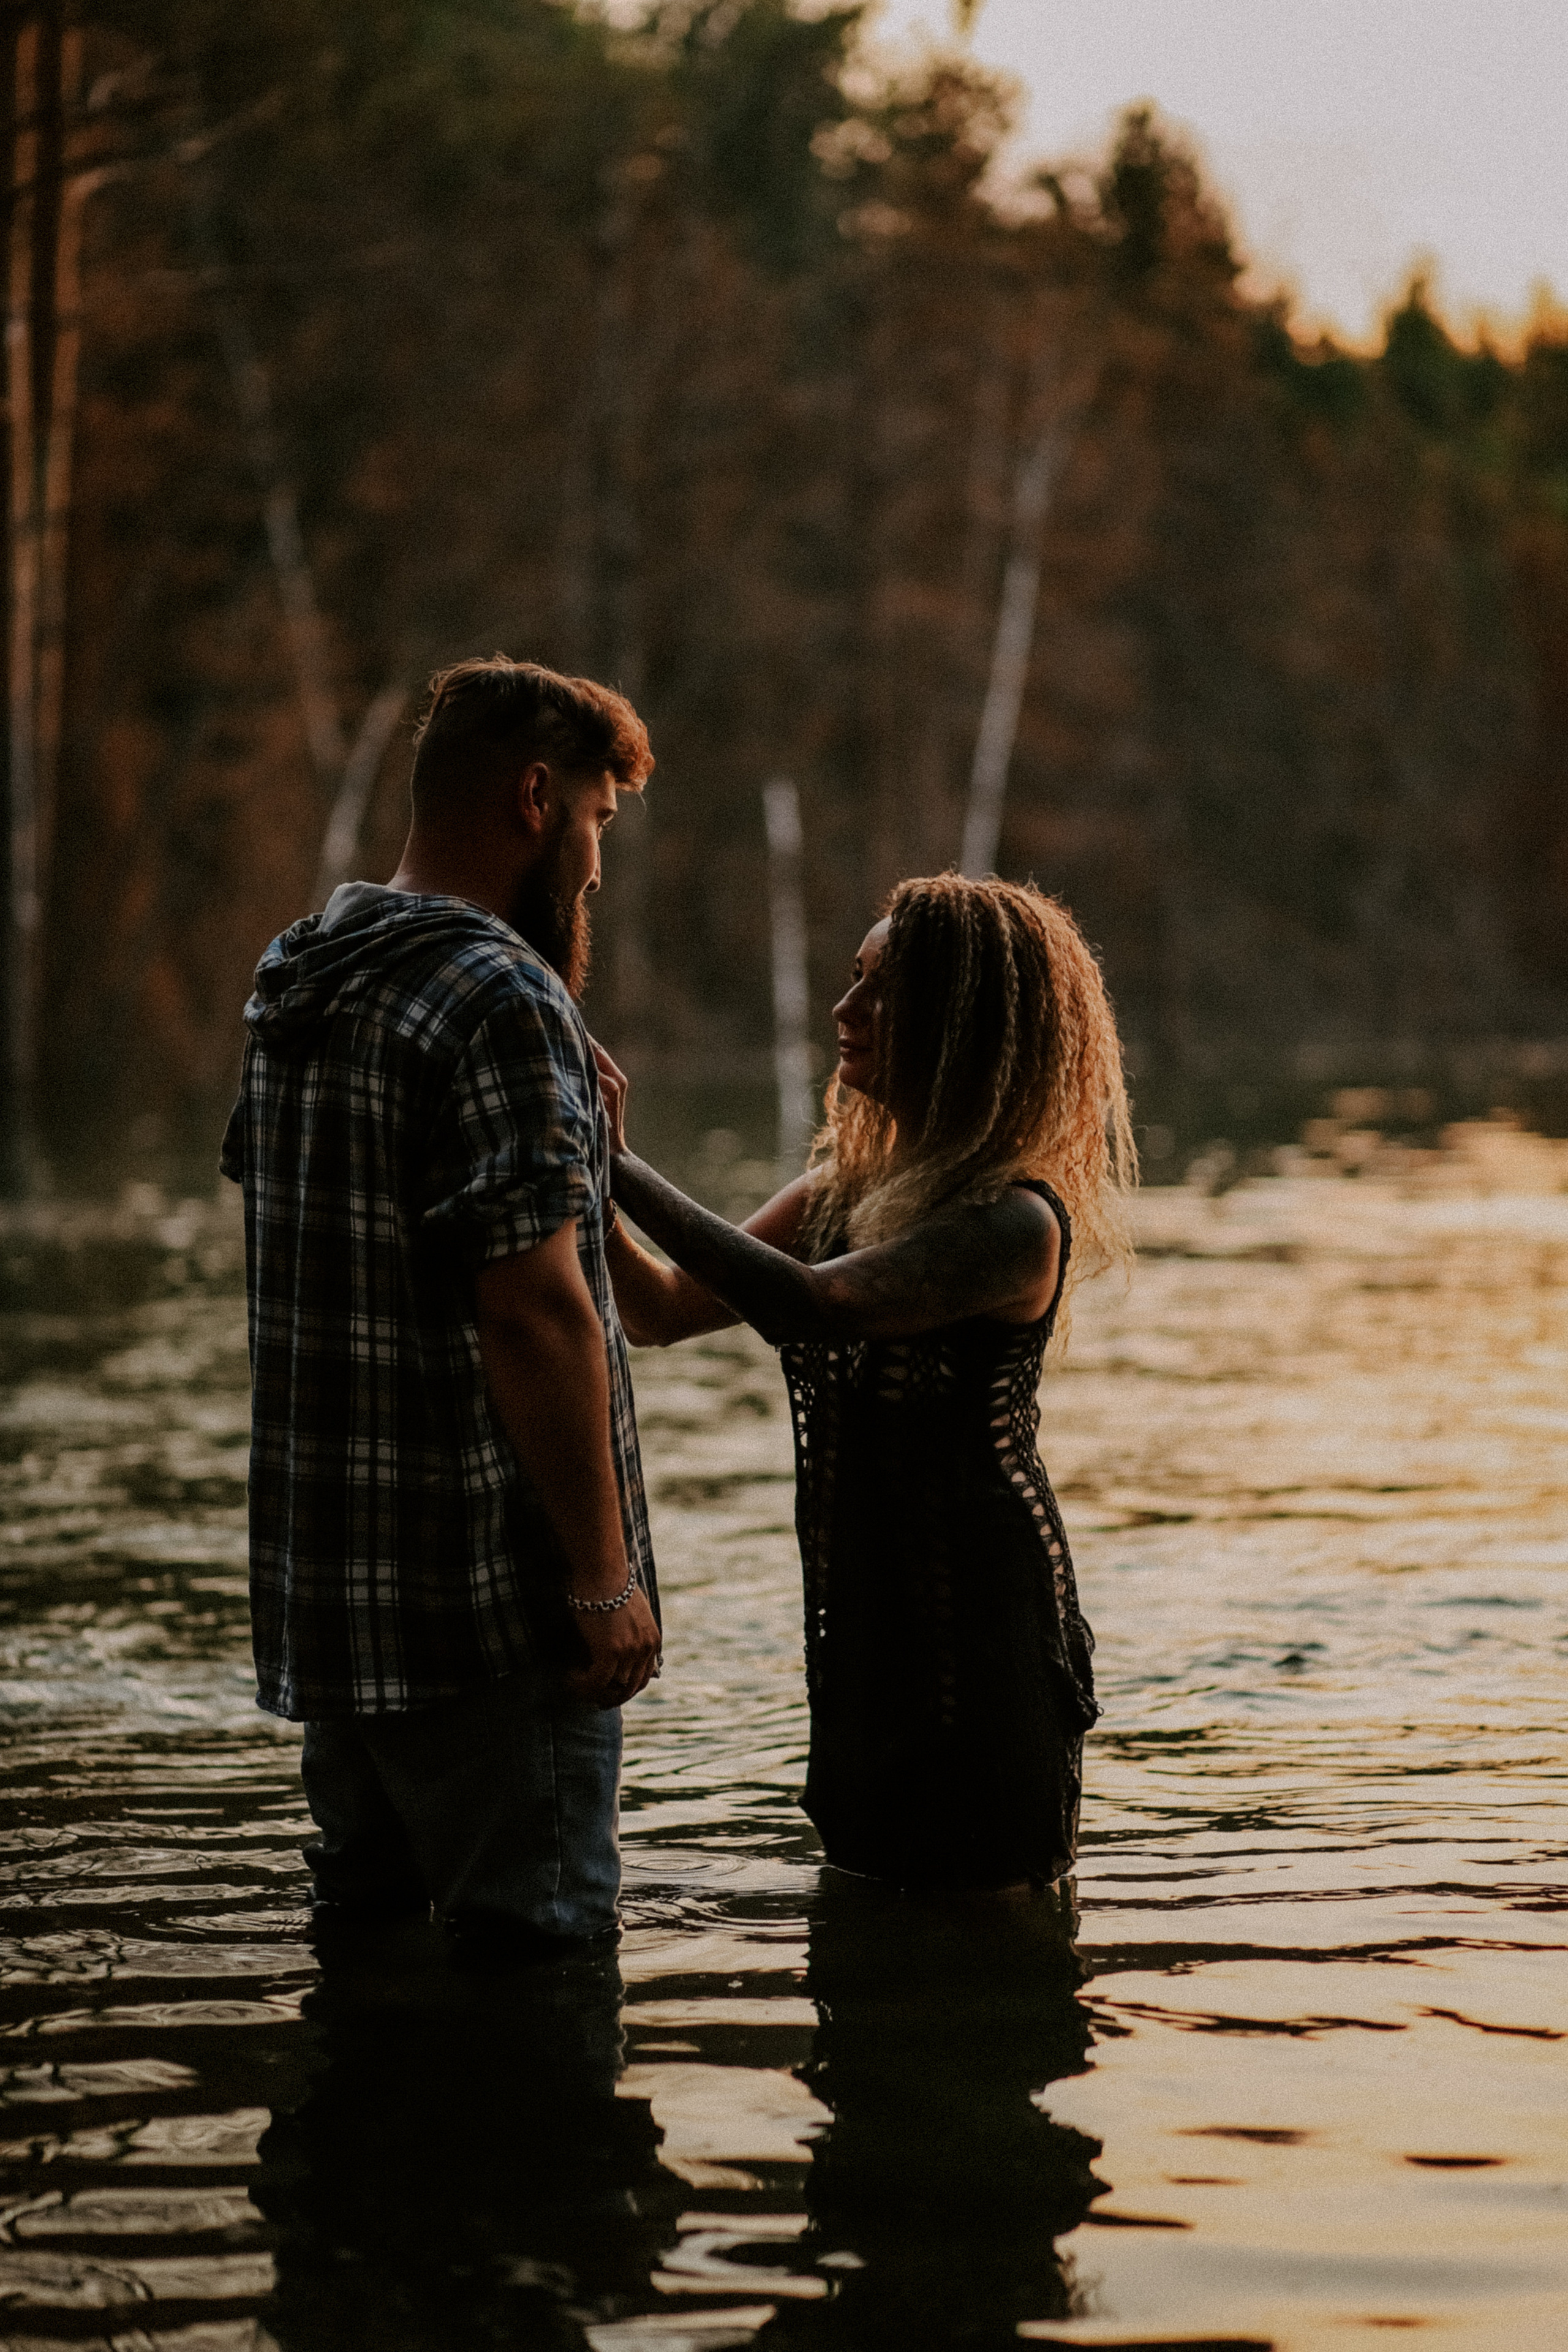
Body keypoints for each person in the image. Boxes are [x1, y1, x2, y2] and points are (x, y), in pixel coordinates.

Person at [221, 655, 662, 1952]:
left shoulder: (300, 972)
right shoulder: (500, 993)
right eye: (594, 822)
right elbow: (531, 1309)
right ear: (535, 798)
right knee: (539, 1994)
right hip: (488, 1625)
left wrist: (600, 1168)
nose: (593, 865)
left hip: (341, 1616)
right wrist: (595, 1580)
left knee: (371, 1984)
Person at [598, 873, 1135, 1889]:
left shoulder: (1018, 1224)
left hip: (986, 1643)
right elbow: (661, 1309)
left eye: (884, 991)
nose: (847, 1011)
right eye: (851, 980)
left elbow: (811, 1305)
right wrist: (579, 1179)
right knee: (868, 1901)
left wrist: (619, 1165)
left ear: (960, 1020)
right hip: (867, 1631)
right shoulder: (842, 1196)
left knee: (986, 1930)